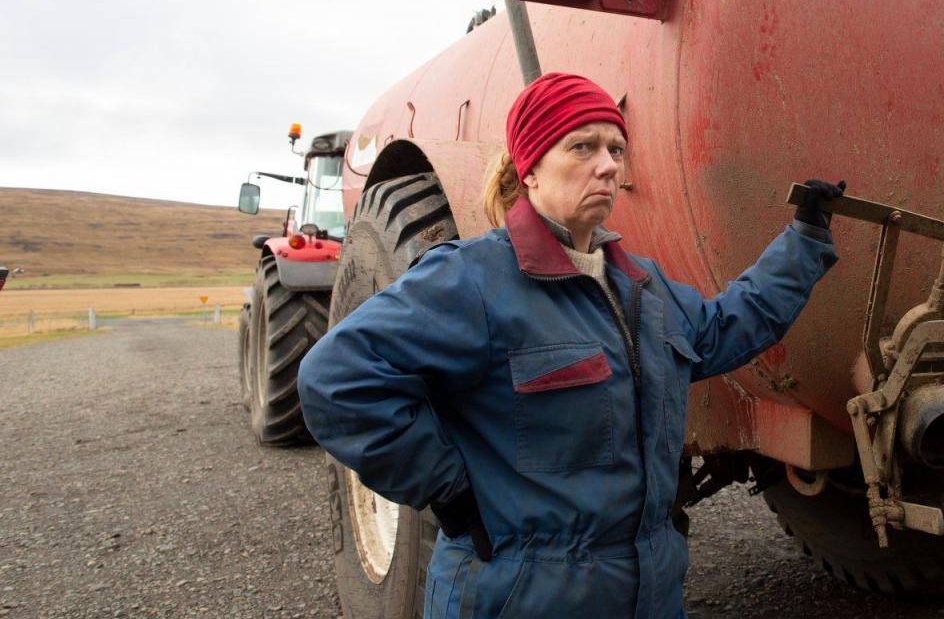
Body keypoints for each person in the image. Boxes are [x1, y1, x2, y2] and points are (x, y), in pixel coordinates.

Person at [298, 72, 844, 619]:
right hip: (517, 595)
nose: (607, 164)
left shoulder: (642, 287)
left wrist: (804, 241)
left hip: (647, 592)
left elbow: (729, 325)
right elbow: (336, 378)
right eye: (582, 146)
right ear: (530, 168)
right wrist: (452, 489)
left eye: (616, 149)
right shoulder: (474, 280)